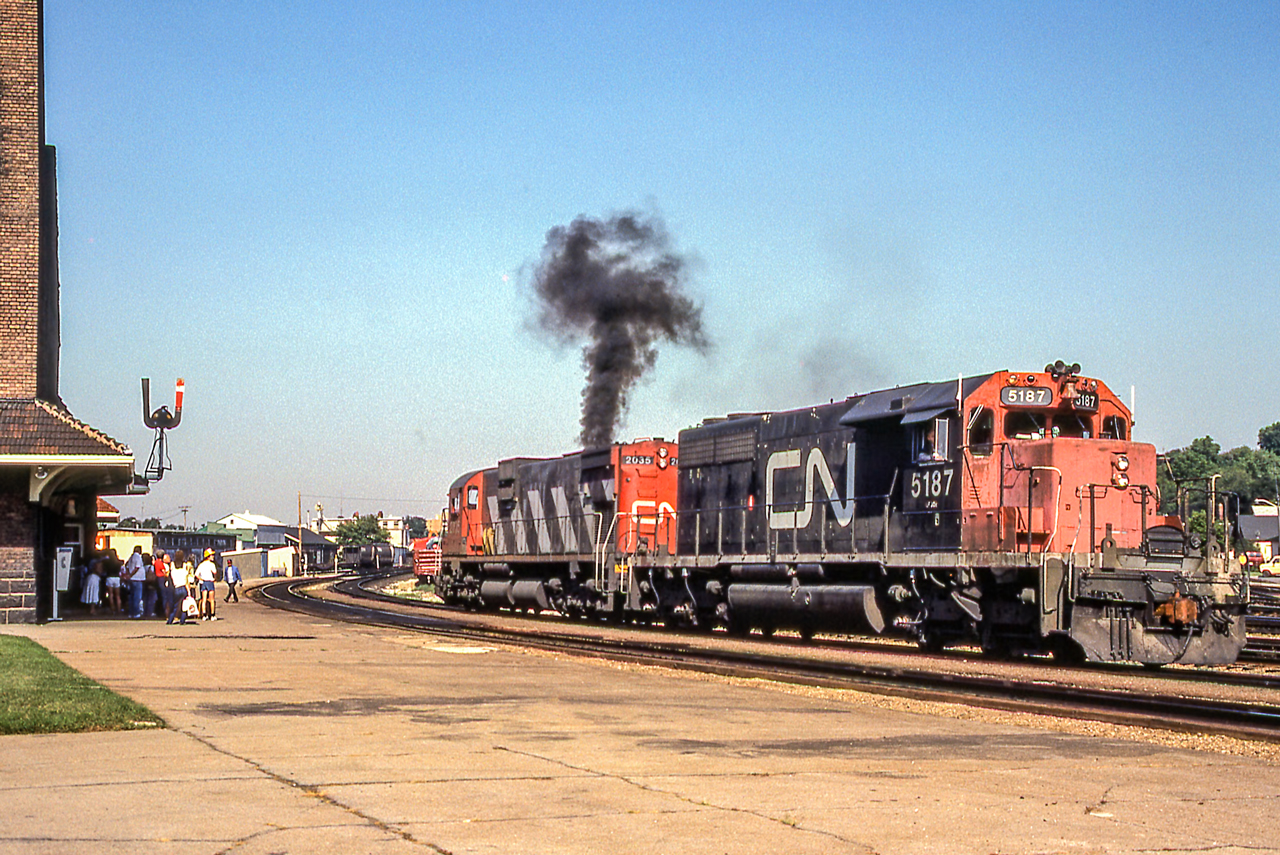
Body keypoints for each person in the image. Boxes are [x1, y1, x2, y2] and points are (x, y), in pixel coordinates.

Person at [166, 549, 191, 626]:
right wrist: (189, 592)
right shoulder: (184, 566)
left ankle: (170, 619)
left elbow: (168, 575)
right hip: (183, 587)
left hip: (176, 588)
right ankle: (182, 620)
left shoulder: (172, 565)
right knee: (184, 605)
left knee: (175, 605)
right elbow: (187, 581)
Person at [194, 548, 219, 621]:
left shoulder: (201, 564)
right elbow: (215, 572)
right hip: (210, 582)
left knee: (203, 599)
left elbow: (196, 574)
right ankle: (212, 615)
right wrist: (214, 579)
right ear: (208, 556)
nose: (213, 556)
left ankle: (204, 615)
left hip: (203, 582)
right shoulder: (212, 564)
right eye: (212, 555)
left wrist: (201, 579)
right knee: (211, 599)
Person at [154, 552, 173, 621]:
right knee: (164, 597)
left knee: (160, 596)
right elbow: (164, 572)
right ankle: (164, 613)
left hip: (158, 579)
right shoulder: (160, 563)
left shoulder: (156, 562)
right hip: (162, 579)